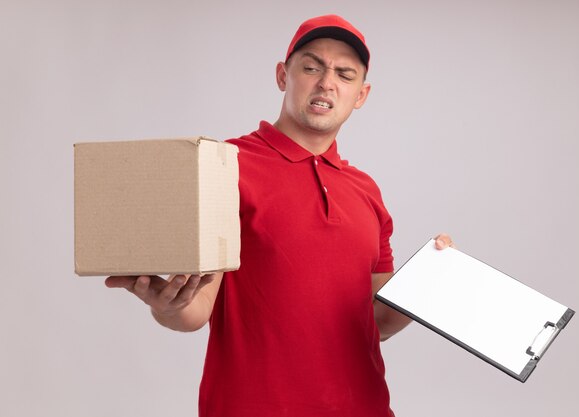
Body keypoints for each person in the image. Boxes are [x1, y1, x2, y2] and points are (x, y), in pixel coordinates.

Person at [105, 14, 454, 417]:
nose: (327, 82)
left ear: (361, 94)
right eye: (311, 67)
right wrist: (167, 306)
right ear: (282, 75)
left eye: (344, 74)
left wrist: (429, 284)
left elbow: (375, 322)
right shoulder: (227, 166)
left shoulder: (366, 191)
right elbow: (196, 309)